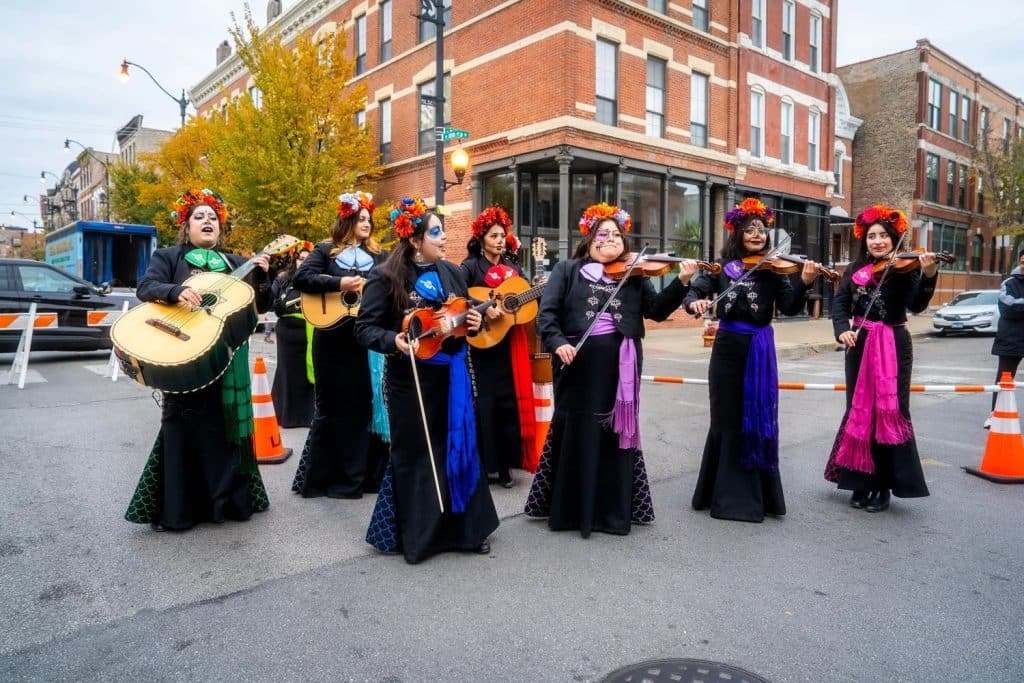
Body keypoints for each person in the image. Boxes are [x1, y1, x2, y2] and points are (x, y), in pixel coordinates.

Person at [524, 203, 695, 538]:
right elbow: (547, 314)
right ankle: (573, 512)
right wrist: (558, 342)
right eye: (602, 234)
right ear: (589, 239)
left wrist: (683, 282)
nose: (609, 239)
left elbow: (657, 311)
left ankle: (612, 513)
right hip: (576, 367)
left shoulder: (634, 274)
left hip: (620, 370)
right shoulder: (568, 270)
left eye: (616, 235)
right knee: (578, 431)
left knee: (614, 433)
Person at [358, 198, 499, 564]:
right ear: (415, 238)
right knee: (418, 455)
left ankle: (468, 531)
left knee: (461, 449)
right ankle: (422, 536)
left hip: (452, 379)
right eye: (436, 232)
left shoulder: (452, 272)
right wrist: (394, 341)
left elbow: (464, 314)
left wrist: (475, 322)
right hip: (411, 382)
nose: (444, 238)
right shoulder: (386, 276)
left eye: (443, 231)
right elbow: (365, 328)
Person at [124, 189, 271, 532]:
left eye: (213, 218)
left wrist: (263, 275)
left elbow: (262, 306)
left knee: (225, 428)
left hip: (228, 356)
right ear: (186, 226)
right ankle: (180, 508)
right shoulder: (171, 257)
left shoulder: (237, 263)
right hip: (184, 354)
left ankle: (226, 503)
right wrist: (175, 292)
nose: (208, 222)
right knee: (183, 424)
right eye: (199, 217)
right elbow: (145, 287)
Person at [684, 198, 820, 523]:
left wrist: (804, 281)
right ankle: (718, 492)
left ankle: (757, 495)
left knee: (754, 415)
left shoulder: (774, 268)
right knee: (724, 417)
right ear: (738, 233)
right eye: (750, 229)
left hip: (758, 347)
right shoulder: (720, 267)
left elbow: (788, 307)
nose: (757, 234)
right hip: (727, 347)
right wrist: (696, 305)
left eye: (761, 229)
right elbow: (693, 294)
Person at [825, 205, 938, 513]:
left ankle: (884, 486)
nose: (877, 241)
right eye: (872, 236)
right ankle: (860, 482)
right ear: (865, 240)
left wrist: (929, 275)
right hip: (859, 343)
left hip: (893, 344)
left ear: (894, 238)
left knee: (889, 413)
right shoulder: (854, 269)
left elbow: (916, 304)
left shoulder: (906, 266)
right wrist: (841, 331)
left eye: (884, 236)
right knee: (857, 411)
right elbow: (840, 303)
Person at [291, 192, 389, 498]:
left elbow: (392, 286)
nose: (367, 223)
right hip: (331, 340)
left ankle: (355, 479)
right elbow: (301, 278)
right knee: (331, 406)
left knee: (361, 408)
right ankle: (322, 479)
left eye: (369, 219)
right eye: (361, 218)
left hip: (363, 343)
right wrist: (339, 284)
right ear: (346, 220)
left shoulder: (380, 257)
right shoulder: (326, 251)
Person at [459, 206, 536, 487]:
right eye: (494, 236)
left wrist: (535, 290)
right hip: (481, 345)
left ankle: (505, 467)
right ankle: (483, 464)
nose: (500, 240)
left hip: (508, 347)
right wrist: (482, 308)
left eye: (502, 235)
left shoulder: (513, 267)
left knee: (507, 404)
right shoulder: (469, 267)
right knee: (484, 404)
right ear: (482, 238)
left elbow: (525, 300)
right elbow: (456, 297)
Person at [270, 243, 316, 428]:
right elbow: (270, 300)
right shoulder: (283, 280)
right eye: (301, 259)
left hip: (310, 331)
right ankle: (287, 415)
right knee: (288, 373)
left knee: (308, 373)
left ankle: (307, 416)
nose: (304, 262)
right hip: (287, 334)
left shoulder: (317, 280)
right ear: (295, 261)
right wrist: (277, 306)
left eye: (308, 259)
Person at [986, 252, 1024, 428]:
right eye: (1023, 262)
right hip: (1011, 339)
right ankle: (994, 414)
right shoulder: (1009, 283)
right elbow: (1008, 309)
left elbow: (1017, 306)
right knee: (1004, 379)